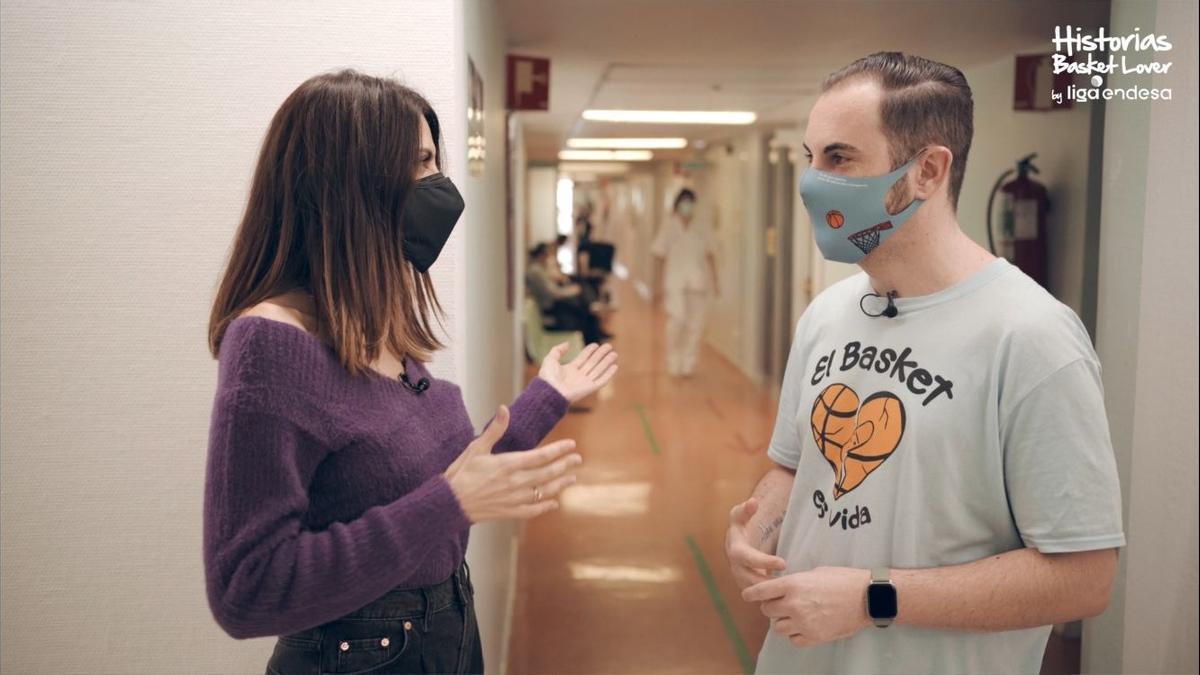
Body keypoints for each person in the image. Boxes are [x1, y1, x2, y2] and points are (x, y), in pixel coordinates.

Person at [202, 70, 619, 675]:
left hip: (445, 626)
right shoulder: (270, 345)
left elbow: (449, 481)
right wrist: (449, 503)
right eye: (421, 164)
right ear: (355, 180)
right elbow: (247, 589)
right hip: (364, 654)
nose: (440, 186)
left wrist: (544, 398)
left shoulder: (371, 321)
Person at [723, 52, 1124, 675]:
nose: (811, 183)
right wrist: (757, 531)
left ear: (928, 171)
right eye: (811, 157)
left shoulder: (1032, 337)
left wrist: (873, 598)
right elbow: (792, 465)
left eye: (840, 158)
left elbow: (1084, 578)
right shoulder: (826, 316)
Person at [652, 188, 719, 377]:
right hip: (674, 282)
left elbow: (710, 254)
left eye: (691, 202)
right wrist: (657, 285)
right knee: (677, 322)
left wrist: (716, 281)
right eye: (684, 202)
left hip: (698, 283)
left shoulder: (702, 227)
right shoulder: (669, 226)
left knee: (695, 326)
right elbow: (659, 256)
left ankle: (689, 364)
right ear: (678, 204)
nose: (687, 206)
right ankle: (674, 362)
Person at [526, 242, 610, 343]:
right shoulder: (536, 271)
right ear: (541, 255)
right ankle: (593, 336)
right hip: (551, 305)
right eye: (547, 254)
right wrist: (571, 291)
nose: (548, 257)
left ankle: (595, 332)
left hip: (554, 301)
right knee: (581, 306)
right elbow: (553, 293)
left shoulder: (538, 268)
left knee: (582, 300)